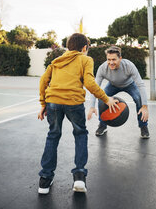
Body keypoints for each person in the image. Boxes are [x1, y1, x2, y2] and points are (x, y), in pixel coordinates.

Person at [37, 33, 119, 195]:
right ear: (84, 48)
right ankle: (79, 176)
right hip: (73, 103)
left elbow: (43, 81)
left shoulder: (56, 61)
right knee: (80, 134)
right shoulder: (85, 59)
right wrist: (106, 99)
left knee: (53, 136)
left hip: (53, 102)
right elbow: (89, 82)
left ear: (68, 47)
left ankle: (45, 180)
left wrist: (43, 104)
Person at [87, 45, 150, 139]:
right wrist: (92, 106)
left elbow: (140, 84)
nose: (111, 62)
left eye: (114, 59)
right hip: (113, 85)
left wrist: (145, 106)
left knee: (138, 98)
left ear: (120, 58)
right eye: (108, 59)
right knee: (102, 98)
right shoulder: (102, 68)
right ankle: (102, 125)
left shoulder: (129, 66)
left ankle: (143, 126)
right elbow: (95, 88)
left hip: (129, 85)